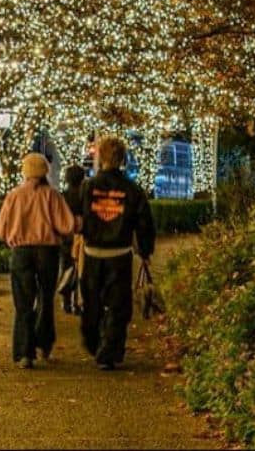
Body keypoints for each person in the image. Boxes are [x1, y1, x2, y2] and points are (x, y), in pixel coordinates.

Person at [79, 134, 156, 370]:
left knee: (91, 301)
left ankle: (93, 341)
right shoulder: (132, 190)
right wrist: (145, 250)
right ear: (123, 159)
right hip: (119, 254)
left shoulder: (88, 187)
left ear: (99, 157)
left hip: (92, 253)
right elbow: (144, 223)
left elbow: (78, 217)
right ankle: (109, 350)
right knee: (118, 305)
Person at [0, 152, 76, 368]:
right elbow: (66, 226)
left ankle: (24, 353)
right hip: (47, 252)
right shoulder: (53, 196)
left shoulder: (14, 196)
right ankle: (44, 343)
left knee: (23, 303)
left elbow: (1, 230)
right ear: (45, 172)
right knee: (45, 299)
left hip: (21, 251)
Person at [58, 161, 87, 314]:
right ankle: (78, 302)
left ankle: (66, 300)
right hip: (82, 238)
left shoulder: (63, 196)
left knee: (67, 268)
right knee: (81, 269)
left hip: (66, 237)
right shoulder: (85, 195)